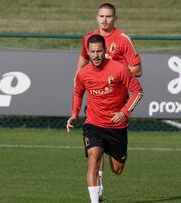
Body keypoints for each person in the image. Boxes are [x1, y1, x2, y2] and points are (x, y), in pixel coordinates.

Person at [74, 3, 143, 200]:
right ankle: (98, 182)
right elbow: (82, 60)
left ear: (115, 18)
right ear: (97, 17)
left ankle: (108, 163)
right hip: (97, 105)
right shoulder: (89, 38)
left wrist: (115, 72)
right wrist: (77, 76)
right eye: (102, 16)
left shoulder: (123, 40)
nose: (105, 20)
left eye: (109, 16)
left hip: (117, 104)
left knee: (118, 168)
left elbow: (138, 69)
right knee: (94, 153)